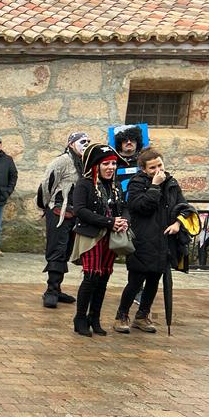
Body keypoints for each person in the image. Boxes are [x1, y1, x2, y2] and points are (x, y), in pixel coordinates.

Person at [114, 149, 188, 334]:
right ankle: (121, 315)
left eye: (160, 165)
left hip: (163, 240)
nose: (157, 170)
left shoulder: (171, 183)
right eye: (152, 167)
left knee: (154, 280)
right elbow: (140, 207)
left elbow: (183, 206)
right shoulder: (137, 183)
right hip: (143, 240)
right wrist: (155, 186)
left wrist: (179, 223)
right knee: (136, 280)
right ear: (144, 169)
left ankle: (142, 315)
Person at [69, 144, 128, 337]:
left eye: (113, 164)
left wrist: (123, 222)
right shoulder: (84, 184)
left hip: (110, 237)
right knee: (91, 277)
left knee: (103, 278)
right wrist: (109, 221)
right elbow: (80, 210)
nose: (111, 167)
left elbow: (123, 207)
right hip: (90, 236)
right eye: (106, 164)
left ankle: (94, 317)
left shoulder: (116, 185)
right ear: (96, 166)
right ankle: (80, 318)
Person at [39, 132, 89, 308]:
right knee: (57, 250)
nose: (85, 144)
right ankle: (51, 291)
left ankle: (57, 289)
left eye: (88, 142)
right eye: (82, 142)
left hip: (76, 214)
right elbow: (47, 184)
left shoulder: (86, 163)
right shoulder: (62, 161)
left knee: (66, 251)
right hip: (59, 212)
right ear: (71, 144)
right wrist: (47, 206)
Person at [111, 124, 145, 191]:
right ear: (120, 143)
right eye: (125, 140)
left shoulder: (143, 161)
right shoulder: (113, 162)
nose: (129, 142)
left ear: (137, 142)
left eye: (132, 139)